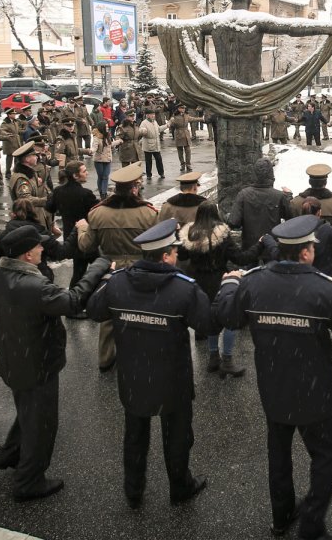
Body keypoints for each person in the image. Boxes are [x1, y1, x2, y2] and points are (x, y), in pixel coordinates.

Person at [215, 215, 332, 540]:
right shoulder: (324, 289)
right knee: (326, 453)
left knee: (278, 453)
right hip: (314, 391)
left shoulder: (254, 282)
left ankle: (281, 517)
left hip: (273, 385)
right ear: (307, 252)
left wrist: (228, 285)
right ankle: (310, 524)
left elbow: (227, 316)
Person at [86, 219, 210, 507]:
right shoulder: (184, 288)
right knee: (177, 437)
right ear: (166, 256)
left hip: (133, 376)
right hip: (173, 377)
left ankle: (134, 490)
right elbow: (206, 324)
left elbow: (94, 310)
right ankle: (180, 487)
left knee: (135, 436)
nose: (177, 256)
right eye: (175, 252)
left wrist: (109, 280)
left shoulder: (118, 283)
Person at [0, 225, 107, 501]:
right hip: (39, 363)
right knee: (42, 423)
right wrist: (99, 266)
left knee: (26, 409)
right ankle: (29, 481)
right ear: (27, 255)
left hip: (13, 359)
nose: (42, 250)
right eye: (38, 247)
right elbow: (72, 302)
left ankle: (11, 454)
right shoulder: (35, 286)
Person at [77, 164, 158, 372]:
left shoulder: (98, 213)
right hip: (139, 268)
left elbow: (86, 246)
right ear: (134, 188)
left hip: (110, 268)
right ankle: (142, 354)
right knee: (142, 313)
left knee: (109, 313)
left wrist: (82, 229)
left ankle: (105, 356)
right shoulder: (148, 213)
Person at [178, 202, 256, 376]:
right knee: (229, 318)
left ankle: (213, 358)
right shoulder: (222, 234)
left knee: (210, 319)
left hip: (198, 282)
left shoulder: (190, 234)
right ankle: (227, 359)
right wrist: (259, 246)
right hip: (219, 280)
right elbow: (240, 258)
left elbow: (182, 255)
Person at [226, 158, 293, 260]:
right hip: (271, 247)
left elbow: (234, 222)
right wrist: (288, 197)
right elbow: (290, 217)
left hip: (250, 248)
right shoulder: (279, 196)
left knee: (250, 274)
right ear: (271, 175)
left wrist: (228, 216)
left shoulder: (243, 194)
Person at [46, 160, 99, 288]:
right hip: (86, 237)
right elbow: (98, 213)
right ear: (75, 176)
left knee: (79, 271)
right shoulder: (86, 194)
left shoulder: (59, 191)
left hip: (70, 238)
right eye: (84, 171)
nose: (87, 173)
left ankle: (75, 298)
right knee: (102, 267)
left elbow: (50, 208)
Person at [138, 109, 166, 180]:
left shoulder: (155, 122)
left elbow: (159, 129)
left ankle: (161, 173)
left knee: (159, 160)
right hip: (148, 145)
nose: (153, 116)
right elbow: (141, 130)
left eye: (154, 114)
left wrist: (167, 126)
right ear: (147, 115)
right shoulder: (144, 122)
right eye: (151, 114)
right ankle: (148, 175)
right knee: (148, 161)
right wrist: (143, 131)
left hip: (156, 144)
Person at [92, 122, 116, 199]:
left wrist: (119, 141)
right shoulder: (96, 137)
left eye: (107, 126)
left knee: (106, 176)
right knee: (101, 176)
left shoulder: (107, 135)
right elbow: (94, 147)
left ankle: (104, 193)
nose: (107, 128)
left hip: (107, 159)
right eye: (106, 127)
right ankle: (101, 192)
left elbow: (110, 144)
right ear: (102, 128)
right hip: (99, 160)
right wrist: (91, 151)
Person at [168, 106, 193, 173]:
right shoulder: (175, 116)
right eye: (181, 108)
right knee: (180, 151)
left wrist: (202, 119)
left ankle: (188, 164)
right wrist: (170, 123)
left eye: (184, 108)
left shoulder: (186, 115)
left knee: (188, 150)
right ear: (178, 109)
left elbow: (192, 119)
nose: (183, 109)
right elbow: (170, 123)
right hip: (179, 134)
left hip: (186, 134)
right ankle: (182, 164)